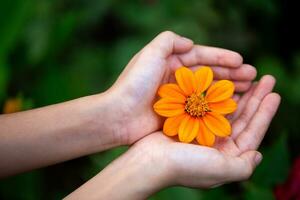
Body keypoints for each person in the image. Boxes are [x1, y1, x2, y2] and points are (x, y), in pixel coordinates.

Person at [0, 31, 281, 199]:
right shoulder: (178, 100)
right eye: (196, 101)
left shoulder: (211, 111)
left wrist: (114, 122)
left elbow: (222, 109)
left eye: (199, 102)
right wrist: (150, 163)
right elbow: (170, 111)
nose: (198, 103)